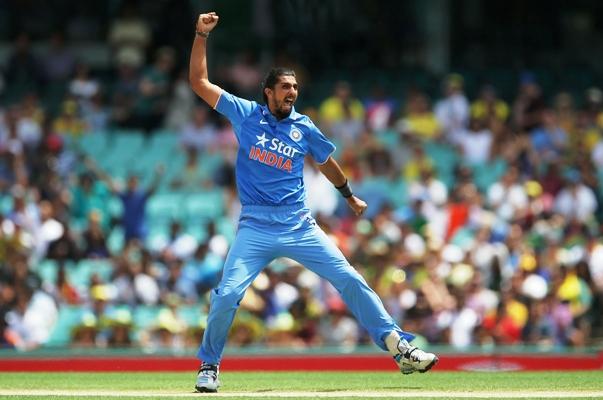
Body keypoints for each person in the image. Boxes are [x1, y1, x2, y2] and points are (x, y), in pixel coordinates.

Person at [188, 12, 438, 393]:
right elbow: (199, 82)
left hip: (298, 225)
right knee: (227, 296)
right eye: (285, 86)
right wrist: (201, 35)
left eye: (295, 87)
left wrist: (349, 195)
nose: (292, 92)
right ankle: (209, 365)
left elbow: (327, 162)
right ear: (268, 91)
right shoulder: (246, 115)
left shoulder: (304, 126)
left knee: (350, 279)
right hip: (255, 226)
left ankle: (399, 347)